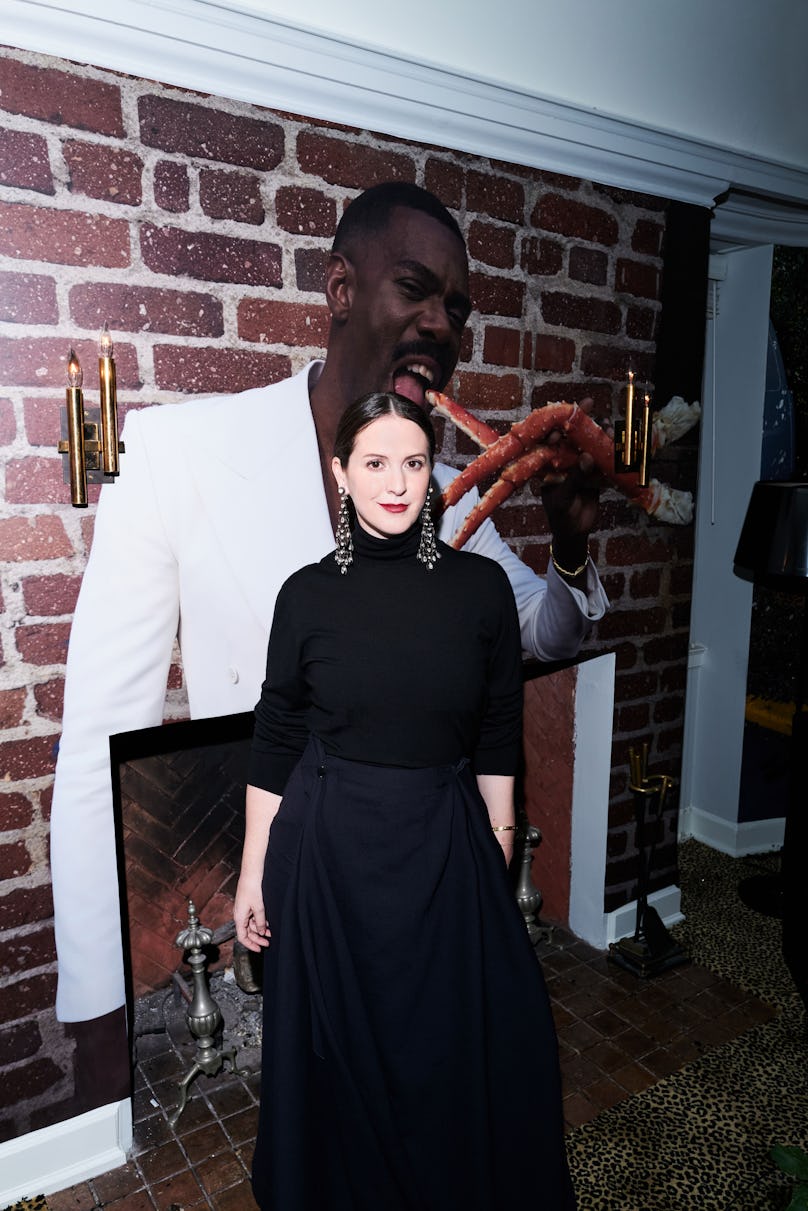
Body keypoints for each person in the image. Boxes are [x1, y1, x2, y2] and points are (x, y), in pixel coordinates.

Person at [50, 181, 607, 1104]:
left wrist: (573, 548)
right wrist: (100, 1012)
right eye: (415, 289)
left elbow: (539, 632)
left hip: (426, 877)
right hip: (290, 898)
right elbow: (95, 748)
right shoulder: (173, 454)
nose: (440, 324)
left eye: (457, 308)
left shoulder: (447, 486)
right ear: (341, 289)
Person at [235, 392, 576, 1210]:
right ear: (341, 473)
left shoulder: (480, 588)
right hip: (327, 853)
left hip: (443, 839)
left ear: (435, 472)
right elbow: (275, 737)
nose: (396, 483)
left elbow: (498, 728)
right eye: (376, 462)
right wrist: (251, 872)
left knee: (462, 1044)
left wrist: (500, 838)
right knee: (342, 1058)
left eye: (414, 463)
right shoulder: (305, 595)